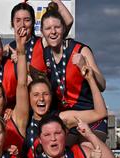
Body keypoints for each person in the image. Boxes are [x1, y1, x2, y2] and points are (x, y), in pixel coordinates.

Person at [40, 9, 107, 137]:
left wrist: (88, 69)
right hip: (65, 118)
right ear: (42, 32)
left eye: (57, 27)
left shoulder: (80, 50)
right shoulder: (45, 54)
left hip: (91, 114)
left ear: (64, 29)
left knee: (86, 149)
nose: (53, 32)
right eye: (48, 28)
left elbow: (103, 85)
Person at [6, 0, 73, 75]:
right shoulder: (8, 49)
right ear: (12, 24)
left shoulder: (43, 42)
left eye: (27, 20)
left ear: (33, 23)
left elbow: (68, 21)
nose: (22, 25)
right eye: (18, 20)